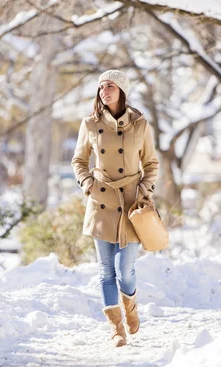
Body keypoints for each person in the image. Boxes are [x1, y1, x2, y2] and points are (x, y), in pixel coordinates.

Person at [71, 70, 159, 347]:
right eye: (100, 87)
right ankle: (116, 328)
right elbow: (78, 161)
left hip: (131, 204)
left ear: (121, 90)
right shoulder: (89, 124)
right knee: (106, 270)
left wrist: (143, 192)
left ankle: (131, 308)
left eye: (110, 86)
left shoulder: (141, 125)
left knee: (126, 270)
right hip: (101, 201)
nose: (104, 91)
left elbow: (152, 164)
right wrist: (88, 185)